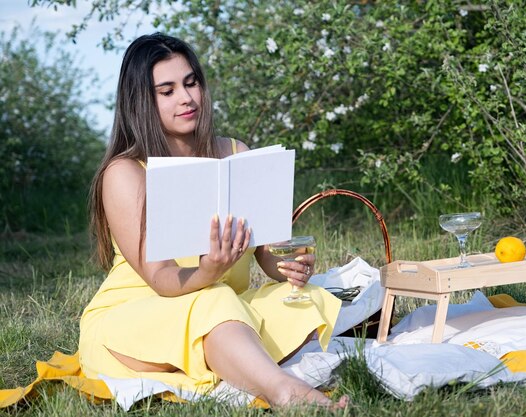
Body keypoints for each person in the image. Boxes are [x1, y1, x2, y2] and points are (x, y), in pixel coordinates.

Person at [80, 32, 348, 409]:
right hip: (137, 316)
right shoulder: (125, 172)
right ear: (141, 100)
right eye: (167, 90)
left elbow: (267, 254)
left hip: (223, 314)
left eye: (191, 83)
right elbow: (158, 278)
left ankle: (239, 362)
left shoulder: (236, 152)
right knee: (215, 298)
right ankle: (284, 391)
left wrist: (290, 266)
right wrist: (210, 270)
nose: (186, 98)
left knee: (304, 298)